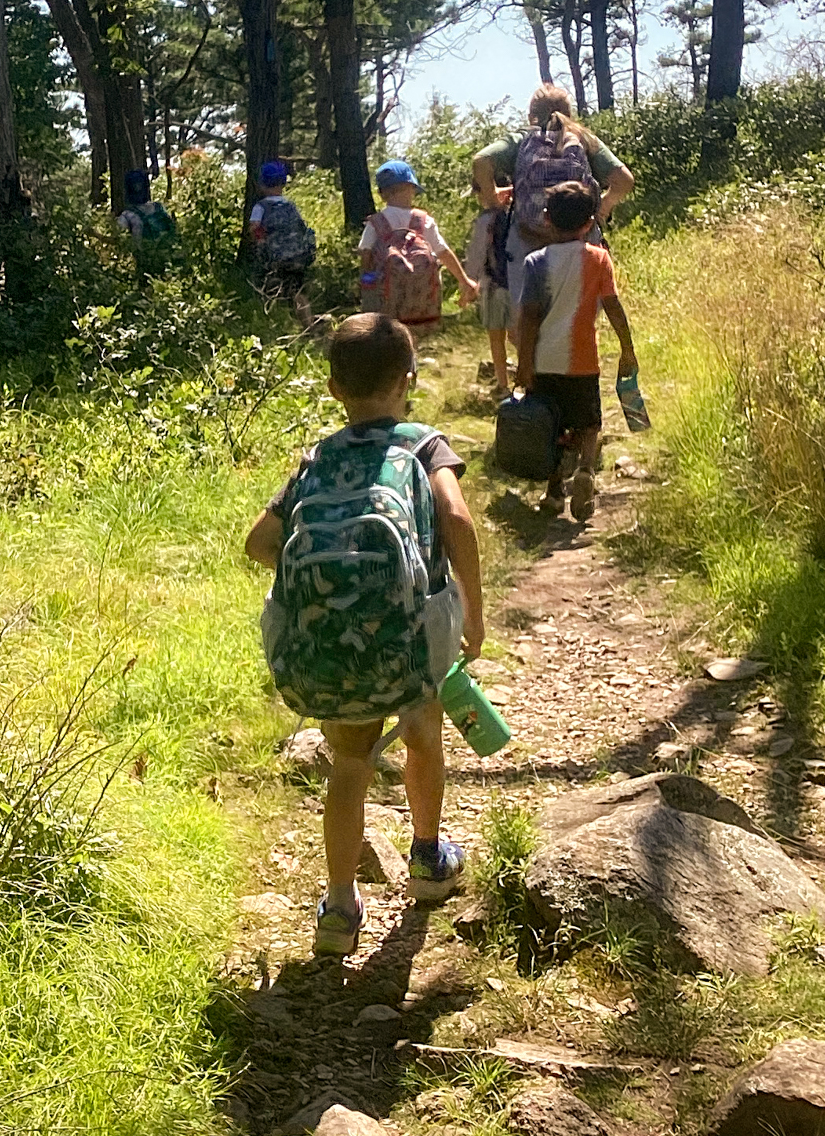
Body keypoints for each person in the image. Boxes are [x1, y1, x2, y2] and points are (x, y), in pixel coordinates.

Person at [244, 313, 487, 957]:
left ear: (333, 389)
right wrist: (473, 608)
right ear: (408, 378)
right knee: (422, 732)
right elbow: (457, 519)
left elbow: (260, 542)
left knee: (350, 763)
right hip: (409, 641)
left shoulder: (319, 456)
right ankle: (429, 858)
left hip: (330, 642)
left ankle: (340, 906)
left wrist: (332, 588)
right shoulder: (423, 444)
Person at [513, 181, 638, 523]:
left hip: (544, 361)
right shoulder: (599, 259)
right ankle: (585, 468)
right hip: (583, 360)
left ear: (546, 219)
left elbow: (529, 319)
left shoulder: (535, 262)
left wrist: (524, 365)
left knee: (551, 428)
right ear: (589, 223)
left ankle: (554, 492)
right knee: (589, 422)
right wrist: (627, 350)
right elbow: (613, 307)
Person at [470, 84, 635, 308]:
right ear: (570, 114)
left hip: (529, 240)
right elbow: (624, 180)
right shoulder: (582, 138)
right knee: (580, 315)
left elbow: (481, 161)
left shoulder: (521, 140)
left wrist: (493, 200)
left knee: (526, 320)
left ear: (531, 116)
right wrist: (604, 206)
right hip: (580, 241)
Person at [357, 160, 480, 334]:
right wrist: (464, 280)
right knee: (414, 337)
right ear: (412, 188)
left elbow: (366, 256)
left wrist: (366, 285)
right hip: (421, 303)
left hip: (387, 302)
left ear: (382, 194)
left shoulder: (376, 223)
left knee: (388, 338)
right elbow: (443, 252)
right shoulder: (424, 221)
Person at [248, 160, 316, 327]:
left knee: (272, 290)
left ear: (262, 183)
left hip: (274, 258)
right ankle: (308, 325)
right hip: (297, 257)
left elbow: (254, 228)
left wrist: (260, 242)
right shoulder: (290, 206)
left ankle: (277, 326)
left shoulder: (260, 206)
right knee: (298, 292)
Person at [466, 184, 514, 395]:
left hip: (495, 285)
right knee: (520, 336)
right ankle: (532, 380)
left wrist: (469, 283)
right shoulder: (520, 215)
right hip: (521, 283)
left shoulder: (487, 219)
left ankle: (503, 385)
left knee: (496, 337)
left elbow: (477, 253)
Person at [117, 168, 176, 242]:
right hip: (165, 250)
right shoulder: (159, 208)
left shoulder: (127, 216)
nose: (138, 187)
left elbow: (123, 241)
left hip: (148, 251)